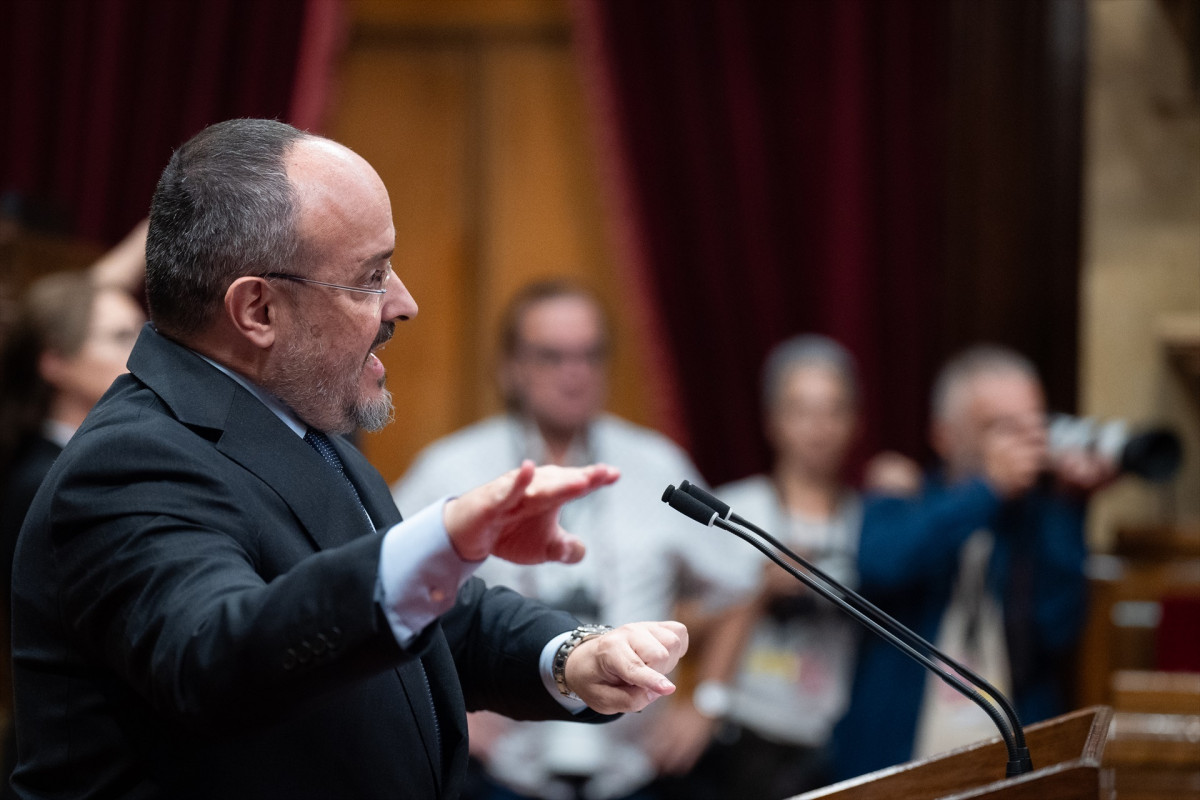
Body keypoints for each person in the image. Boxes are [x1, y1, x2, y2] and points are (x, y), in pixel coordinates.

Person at [9, 119, 688, 800]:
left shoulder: (304, 427)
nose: (404, 303)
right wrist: (439, 541)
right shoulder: (130, 463)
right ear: (258, 309)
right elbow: (217, 653)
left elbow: (419, 617)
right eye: (370, 277)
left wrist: (572, 654)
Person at [393, 281, 741, 800]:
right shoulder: (451, 469)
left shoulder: (657, 466)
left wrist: (707, 703)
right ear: (511, 367)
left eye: (590, 355)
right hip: (498, 777)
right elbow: (385, 591)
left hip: (637, 775)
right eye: (552, 356)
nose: (574, 374)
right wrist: (443, 703)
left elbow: (738, 588)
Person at [831, 344, 1115, 780]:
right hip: (895, 764)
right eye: (1001, 427)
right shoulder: (902, 500)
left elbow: (1058, 629)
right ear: (945, 434)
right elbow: (883, 565)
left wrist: (1069, 505)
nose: (1024, 443)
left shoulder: (1039, 517)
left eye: (1033, 426)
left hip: (1013, 770)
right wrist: (987, 490)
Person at [674, 335, 863, 799]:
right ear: (773, 421)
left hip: (833, 747)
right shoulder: (734, 511)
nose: (818, 428)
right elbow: (674, 625)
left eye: (833, 410)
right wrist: (760, 592)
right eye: (801, 410)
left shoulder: (872, 521)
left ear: (854, 421)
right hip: (742, 740)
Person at [0, 260, 146, 796]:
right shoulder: (37, 478)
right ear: (55, 363)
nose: (140, 352)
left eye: (141, 332)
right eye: (119, 337)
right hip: (70, 758)